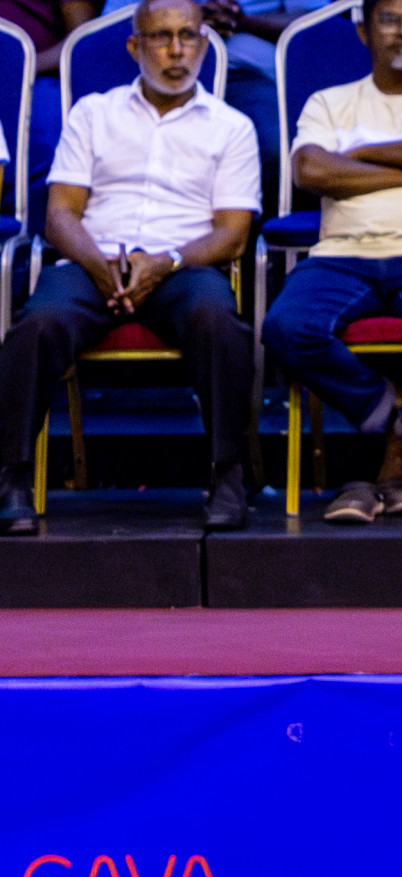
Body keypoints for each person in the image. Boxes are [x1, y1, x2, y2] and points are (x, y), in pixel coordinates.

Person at [0, 0, 260, 535]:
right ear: (133, 46)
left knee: (219, 319)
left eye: (188, 37)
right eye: (160, 37)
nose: (175, 50)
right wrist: (100, 266)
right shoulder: (93, 112)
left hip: (183, 263)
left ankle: (228, 475)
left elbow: (232, 234)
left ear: (205, 45)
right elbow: (61, 214)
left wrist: (163, 264)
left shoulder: (232, 127)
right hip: (94, 258)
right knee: (38, 323)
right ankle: (12, 479)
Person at [259, 0, 402, 523]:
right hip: (344, 254)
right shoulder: (329, 101)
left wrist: (359, 152)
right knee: (285, 327)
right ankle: (387, 410)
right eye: (390, 20)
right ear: (364, 31)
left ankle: (400, 449)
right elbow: (312, 171)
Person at [101, 0, 327, 222]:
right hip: (158, 75)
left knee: (274, 147)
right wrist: (182, 19)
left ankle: (252, 248)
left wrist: (242, 21)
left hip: (246, 77)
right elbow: (109, 24)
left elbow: (318, 21)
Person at [0, 0, 101, 232]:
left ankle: (29, 244)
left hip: (35, 74)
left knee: (45, 141)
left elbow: (79, 42)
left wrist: (18, 65)